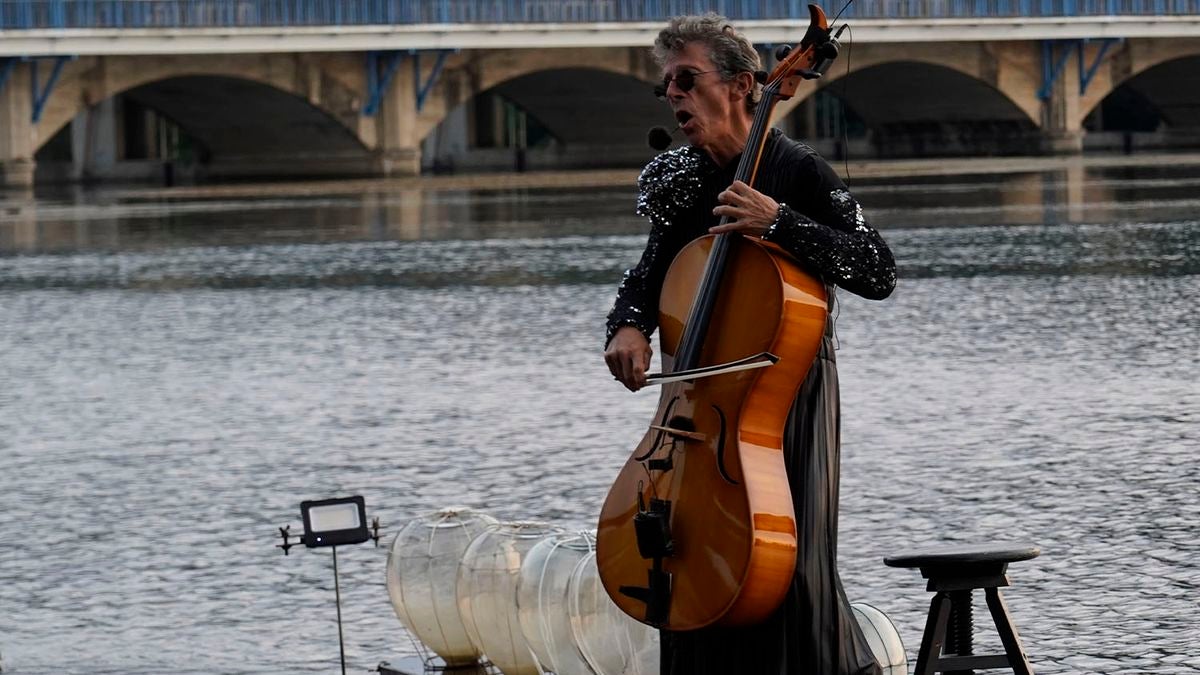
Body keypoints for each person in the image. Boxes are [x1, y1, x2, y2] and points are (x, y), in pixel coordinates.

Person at [602, 13, 896, 675]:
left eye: (687, 79)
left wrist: (780, 221)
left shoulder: (798, 173)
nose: (674, 95)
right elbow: (648, 276)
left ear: (741, 86)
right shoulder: (682, 184)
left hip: (787, 396)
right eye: (667, 85)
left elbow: (877, 268)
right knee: (686, 562)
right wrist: (627, 325)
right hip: (695, 409)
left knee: (791, 570)